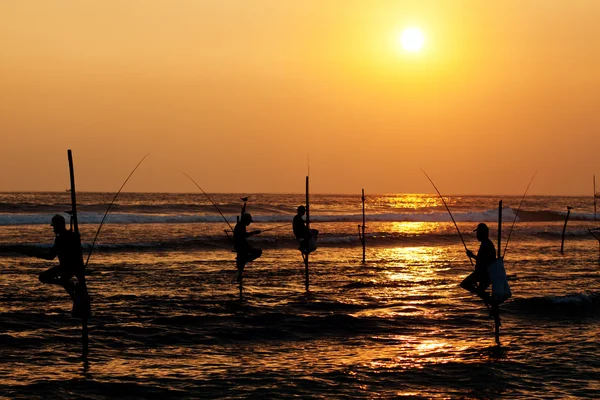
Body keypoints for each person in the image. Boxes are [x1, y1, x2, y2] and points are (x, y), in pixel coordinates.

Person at [35, 214, 89, 316]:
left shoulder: (61, 238)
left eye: (54, 226)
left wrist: (37, 255)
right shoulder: (73, 235)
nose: (53, 229)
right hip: (76, 267)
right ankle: (75, 297)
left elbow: (51, 256)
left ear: (60, 225)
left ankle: (72, 292)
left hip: (66, 267)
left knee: (43, 277)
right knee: (67, 282)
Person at [461, 222, 496, 305]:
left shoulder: (486, 245)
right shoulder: (486, 243)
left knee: (464, 284)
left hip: (483, 274)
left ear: (482, 233)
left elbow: (484, 260)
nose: (476, 235)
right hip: (485, 273)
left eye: (478, 233)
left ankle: (485, 296)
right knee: (480, 292)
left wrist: (472, 256)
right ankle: (485, 296)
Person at [233, 212, 262, 282]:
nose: (249, 223)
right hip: (241, 246)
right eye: (249, 221)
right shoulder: (241, 225)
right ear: (246, 220)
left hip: (240, 245)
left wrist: (254, 232)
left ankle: (245, 261)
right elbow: (243, 236)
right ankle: (247, 259)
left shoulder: (240, 225)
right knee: (259, 251)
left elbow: (242, 235)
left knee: (241, 265)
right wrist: (254, 232)